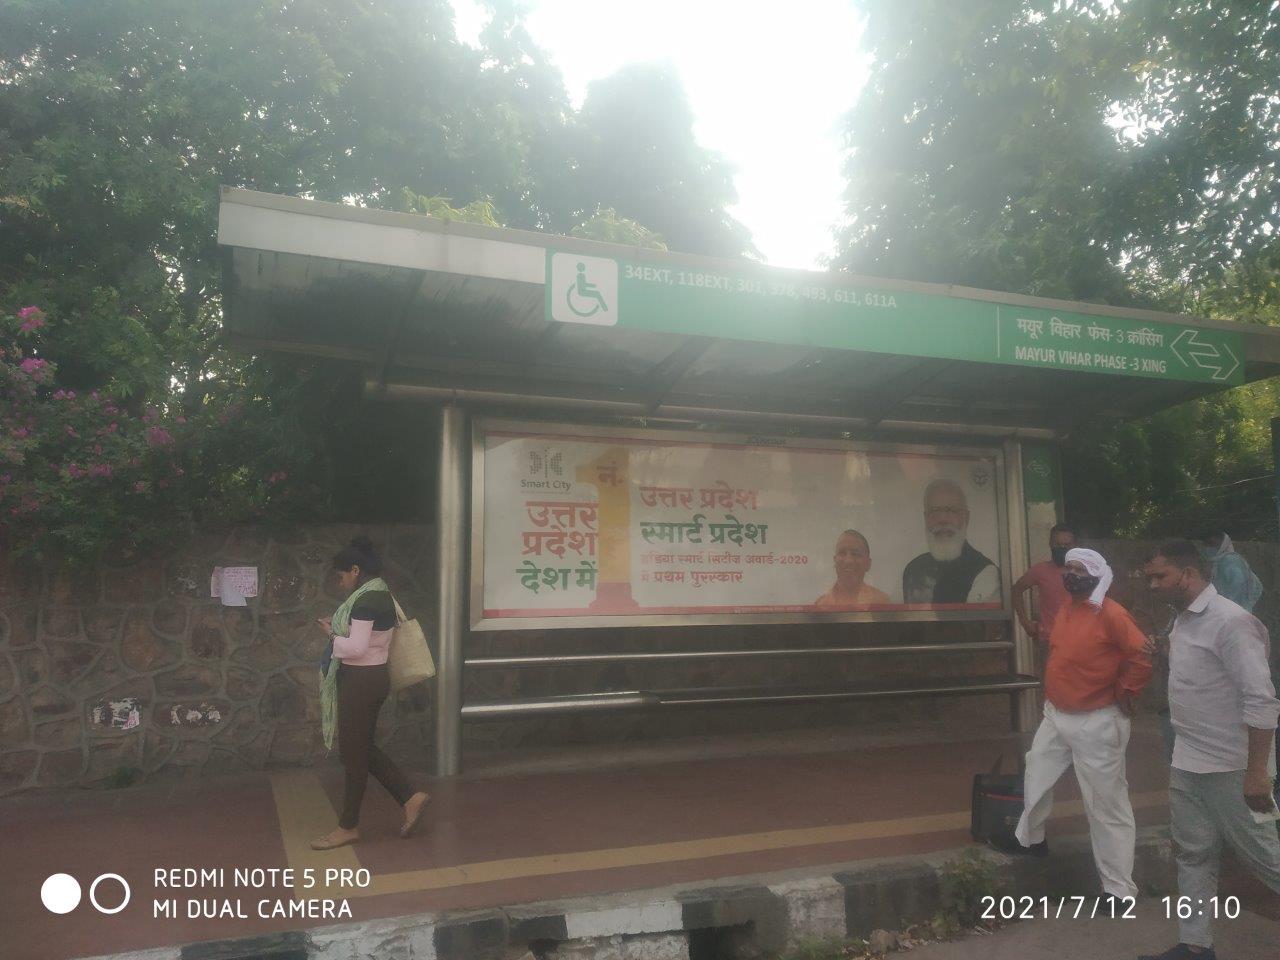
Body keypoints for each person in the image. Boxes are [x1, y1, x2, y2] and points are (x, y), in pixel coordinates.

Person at [1138, 540, 1279, 960]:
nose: (1152, 585)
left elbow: (1262, 701)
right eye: (1148, 578)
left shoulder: (1232, 623)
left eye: (1159, 576)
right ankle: (1195, 946)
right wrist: (1165, 654)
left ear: (1188, 573)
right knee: (1193, 854)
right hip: (1188, 763)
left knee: (1267, 859)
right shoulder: (1181, 620)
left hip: (1233, 768)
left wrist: (1257, 772)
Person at [1012, 548, 1152, 905]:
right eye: (1068, 568)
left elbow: (1141, 657)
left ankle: (1118, 890)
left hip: (1098, 721)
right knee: (1037, 770)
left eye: (1079, 569)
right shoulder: (1066, 609)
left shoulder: (1113, 614)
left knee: (1106, 805)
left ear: (1095, 575)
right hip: (1057, 714)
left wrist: (1127, 689)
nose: (1070, 574)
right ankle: (1033, 838)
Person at [311, 536, 429, 850]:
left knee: (353, 755)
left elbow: (357, 647)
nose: (340, 583)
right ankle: (409, 796)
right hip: (367, 679)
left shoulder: (367, 600)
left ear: (355, 569)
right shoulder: (377, 593)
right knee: (359, 750)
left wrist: (331, 635)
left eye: (341, 576)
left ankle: (348, 826)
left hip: (362, 680)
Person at [902, 478, 1000, 604]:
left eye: (952, 511)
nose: (942, 519)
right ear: (926, 518)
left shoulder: (986, 574)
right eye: (935, 511)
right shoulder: (912, 570)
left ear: (966, 518)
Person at [1012, 523, 1077, 650]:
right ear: (1050, 544)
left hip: (1080, 642)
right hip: (1050, 642)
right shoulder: (1041, 570)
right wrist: (1024, 621)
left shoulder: (1084, 572)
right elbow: (1016, 590)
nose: (1062, 548)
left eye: (1067, 545)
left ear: (1074, 546)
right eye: (1058, 545)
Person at [814, 529, 891, 608]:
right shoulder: (821, 605)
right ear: (835, 561)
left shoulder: (882, 602)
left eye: (856, 554)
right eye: (842, 553)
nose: (848, 561)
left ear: (868, 563)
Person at [1200, 531, 1263, 612]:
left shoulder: (1230, 561)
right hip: (1224, 610)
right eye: (1206, 544)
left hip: (1233, 611)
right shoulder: (1217, 562)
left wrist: (1229, 603)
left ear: (1222, 545)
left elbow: (1238, 584)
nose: (1208, 548)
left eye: (1212, 544)